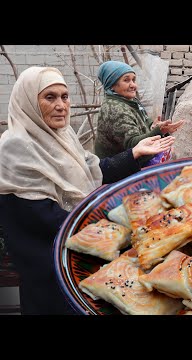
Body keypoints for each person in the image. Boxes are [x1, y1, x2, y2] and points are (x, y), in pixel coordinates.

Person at [0, 66, 176, 315]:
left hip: (78, 253)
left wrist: (136, 152)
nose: (61, 105)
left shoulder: (63, 136)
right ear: (28, 100)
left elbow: (95, 170)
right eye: (50, 97)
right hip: (47, 266)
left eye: (64, 96)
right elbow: (43, 216)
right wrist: (120, 221)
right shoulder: (16, 146)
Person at [94, 60, 185, 167]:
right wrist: (158, 131)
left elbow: (145, 122)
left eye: (133, 80)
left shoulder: (130, 101)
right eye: (126, 80)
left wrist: (154, 126)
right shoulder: (114, 109)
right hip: (118, 172)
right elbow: (133, 146)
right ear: (112, 85)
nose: (133, 85)